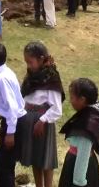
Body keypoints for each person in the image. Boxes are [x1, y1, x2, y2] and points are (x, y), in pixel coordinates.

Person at [20, 42, 65, 187]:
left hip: (42, 123)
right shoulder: (31, 76)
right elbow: (24, 97)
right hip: (30, 121)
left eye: (30, 62)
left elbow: (56, 108)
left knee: (46, 158)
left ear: (40, 59)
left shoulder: (51, 78)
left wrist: (42, 121)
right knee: (35, 158)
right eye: (26, 62)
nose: (28, 65)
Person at [0, 42, 27, 187]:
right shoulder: (4, 72)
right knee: (4, 167)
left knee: (1, 169)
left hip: (13, 123)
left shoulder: (2, 78)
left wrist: (10, 132)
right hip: (11, 122)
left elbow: (12, 107)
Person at [58, 78, 99, 187]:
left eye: (72, 97)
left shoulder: (86, 126)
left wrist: (79, 182)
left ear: (82, 100)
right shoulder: (88, 115)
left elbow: (83, 155)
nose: (70, 100)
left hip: (80, 170)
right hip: (78, 163)